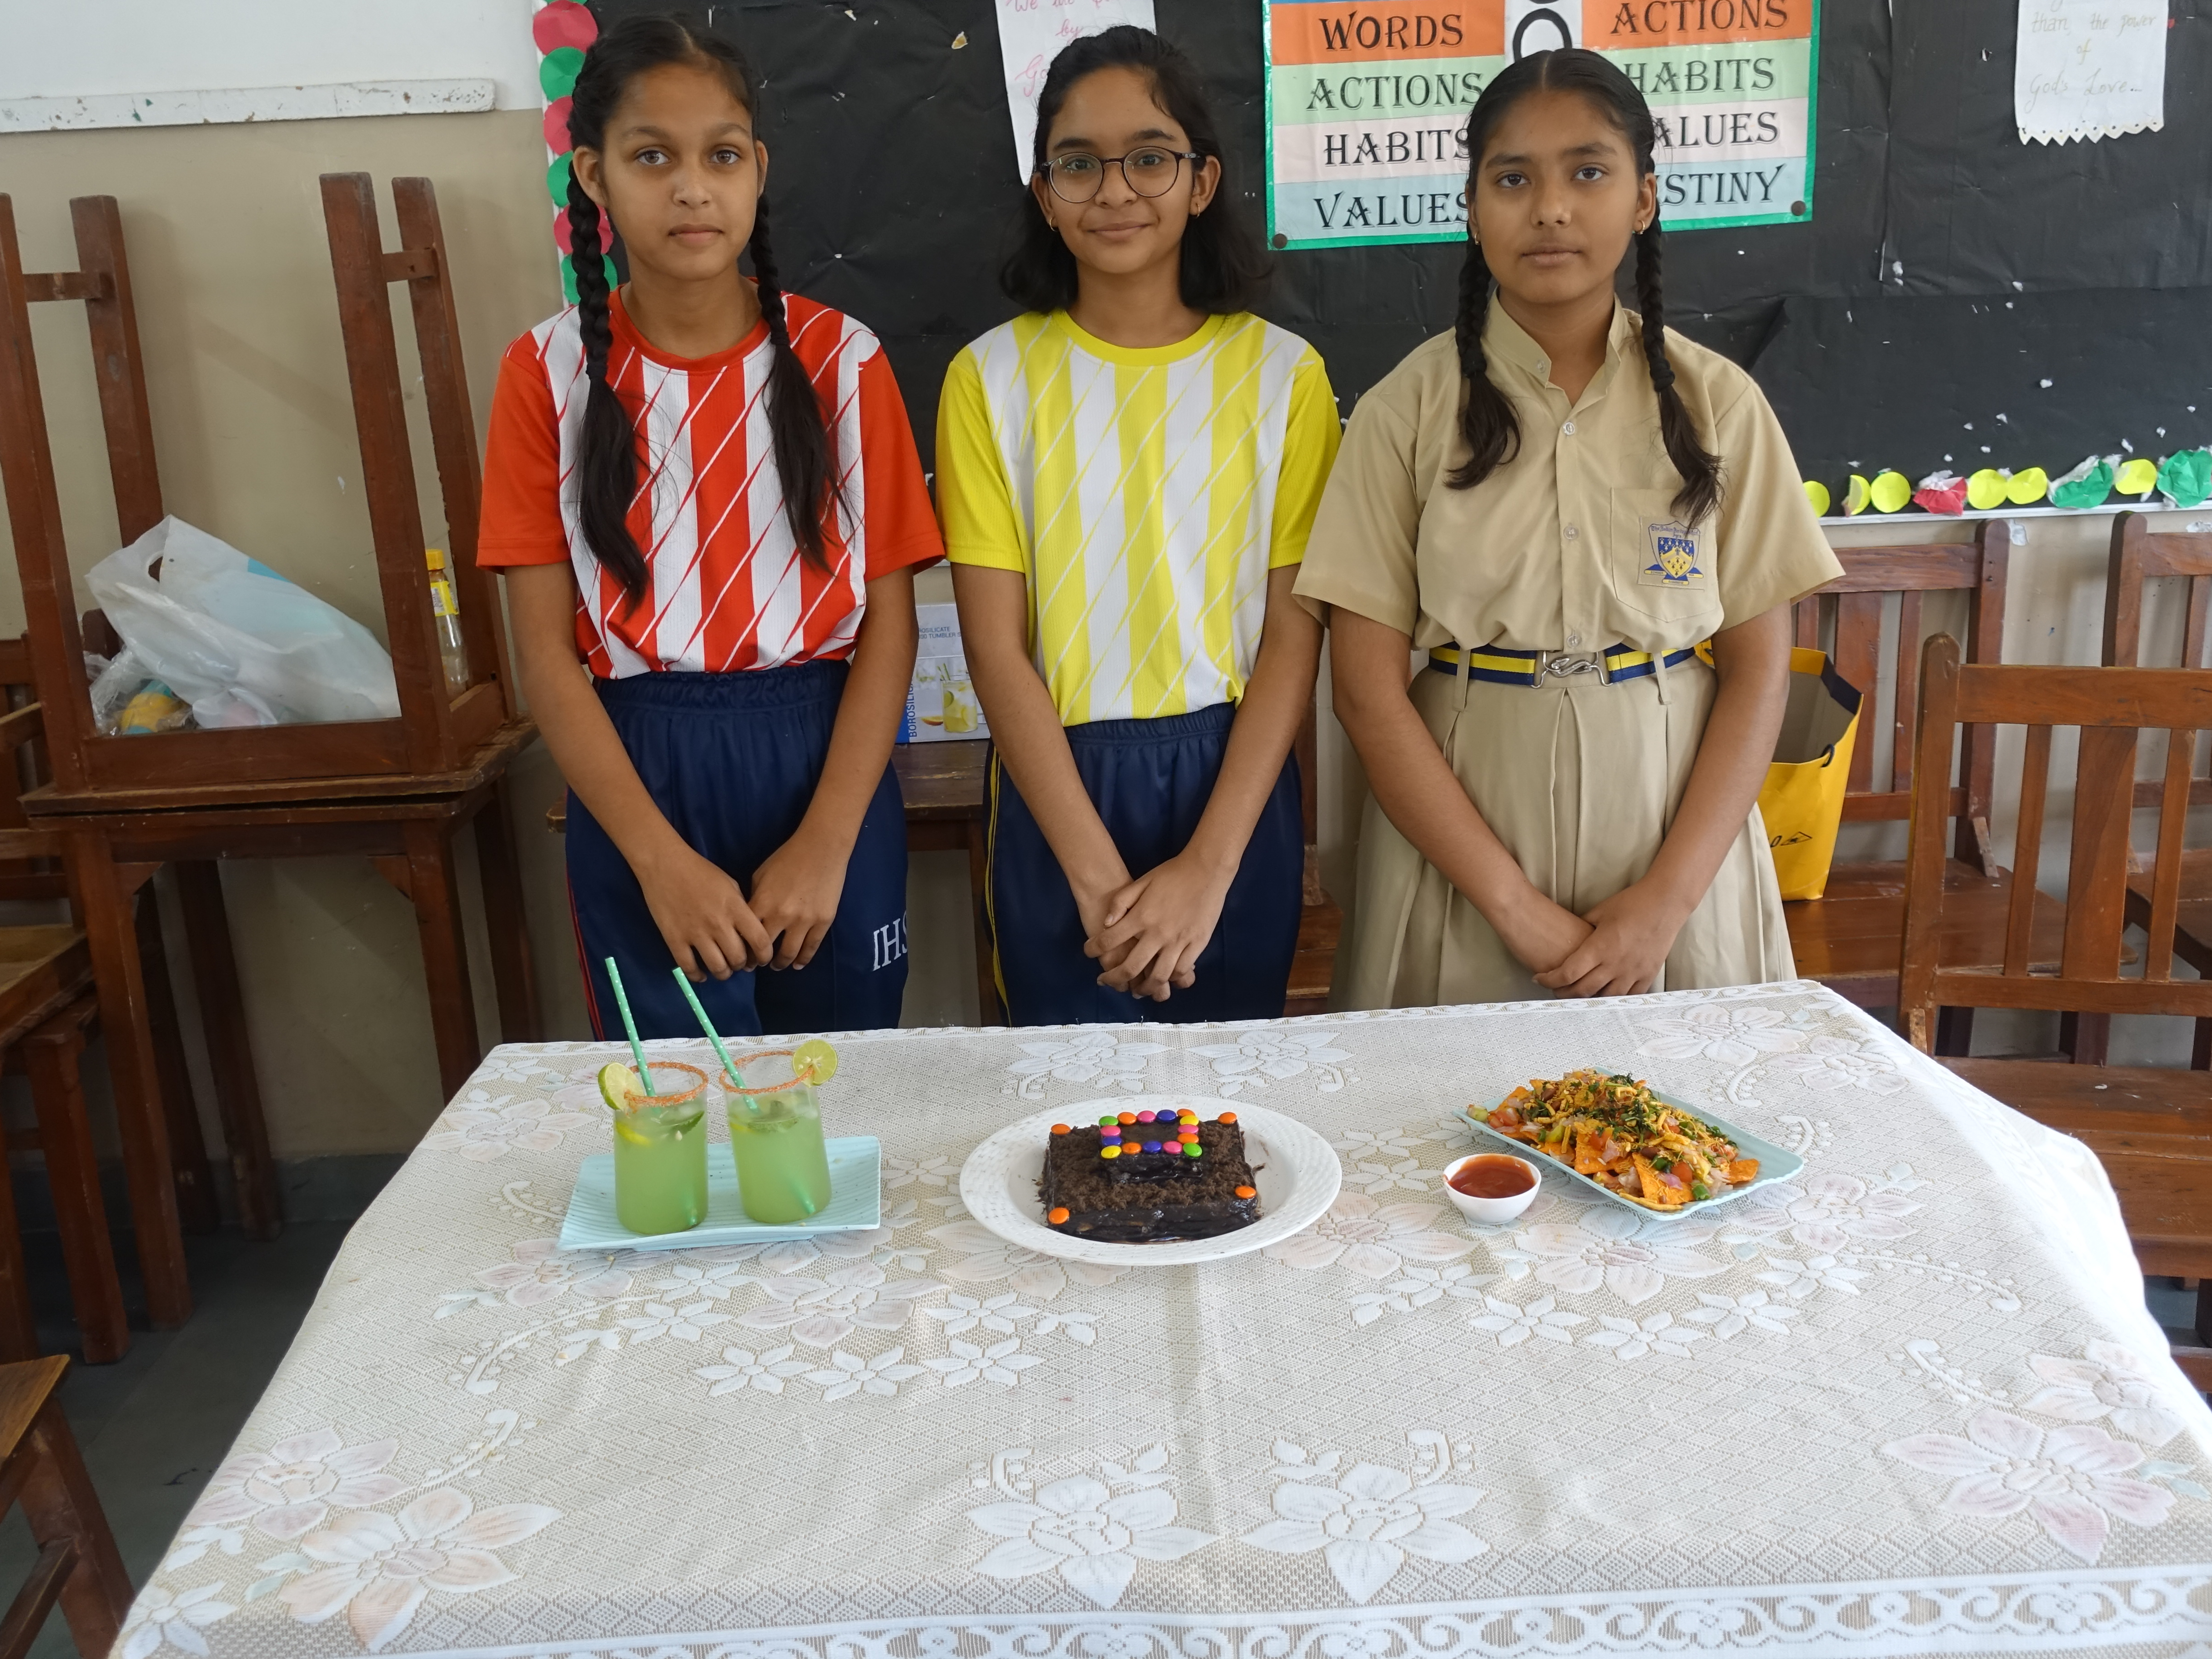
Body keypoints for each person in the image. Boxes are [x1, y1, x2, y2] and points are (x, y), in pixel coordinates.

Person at [1296, 48, 1842, 1007]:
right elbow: (1365, 692)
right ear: (1471, 208)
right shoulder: (1405, 411)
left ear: (1643, 199)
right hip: (1463, 845)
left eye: (1588, 172)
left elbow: (1758, 671)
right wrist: (1512, 906)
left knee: (1679, 1096)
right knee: (1453, 1097)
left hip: (1673, 836)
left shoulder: (1717, 403)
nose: (1549, 208)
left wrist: (1666, 905)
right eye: (1512, 179)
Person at [477, 14, 941, 1038]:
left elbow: (889, 625)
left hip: (825, 763)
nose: (692, 188)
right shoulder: (544, 375)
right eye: (653, 157)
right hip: (640, 774)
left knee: (845, 1083)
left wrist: (827, 842)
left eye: (721, 156)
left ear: (758, 170)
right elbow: (546, 656)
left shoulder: (843, 359)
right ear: (593, 177)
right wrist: (658, 864)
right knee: (681, 1098)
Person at [936, 26, 1339, 1026]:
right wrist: (1095, 880)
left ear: (1202, 181)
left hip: (1231, 787)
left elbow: (1293, 638)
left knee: (1232, 1099)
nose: (1114, 191)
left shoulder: (1284, 377)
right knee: (1070, 1100)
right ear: (1044, 194)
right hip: (1056, 785)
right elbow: (994, 648)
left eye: (1149, 158)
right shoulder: (988, 379)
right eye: (1078, 164)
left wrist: (1207, 870)